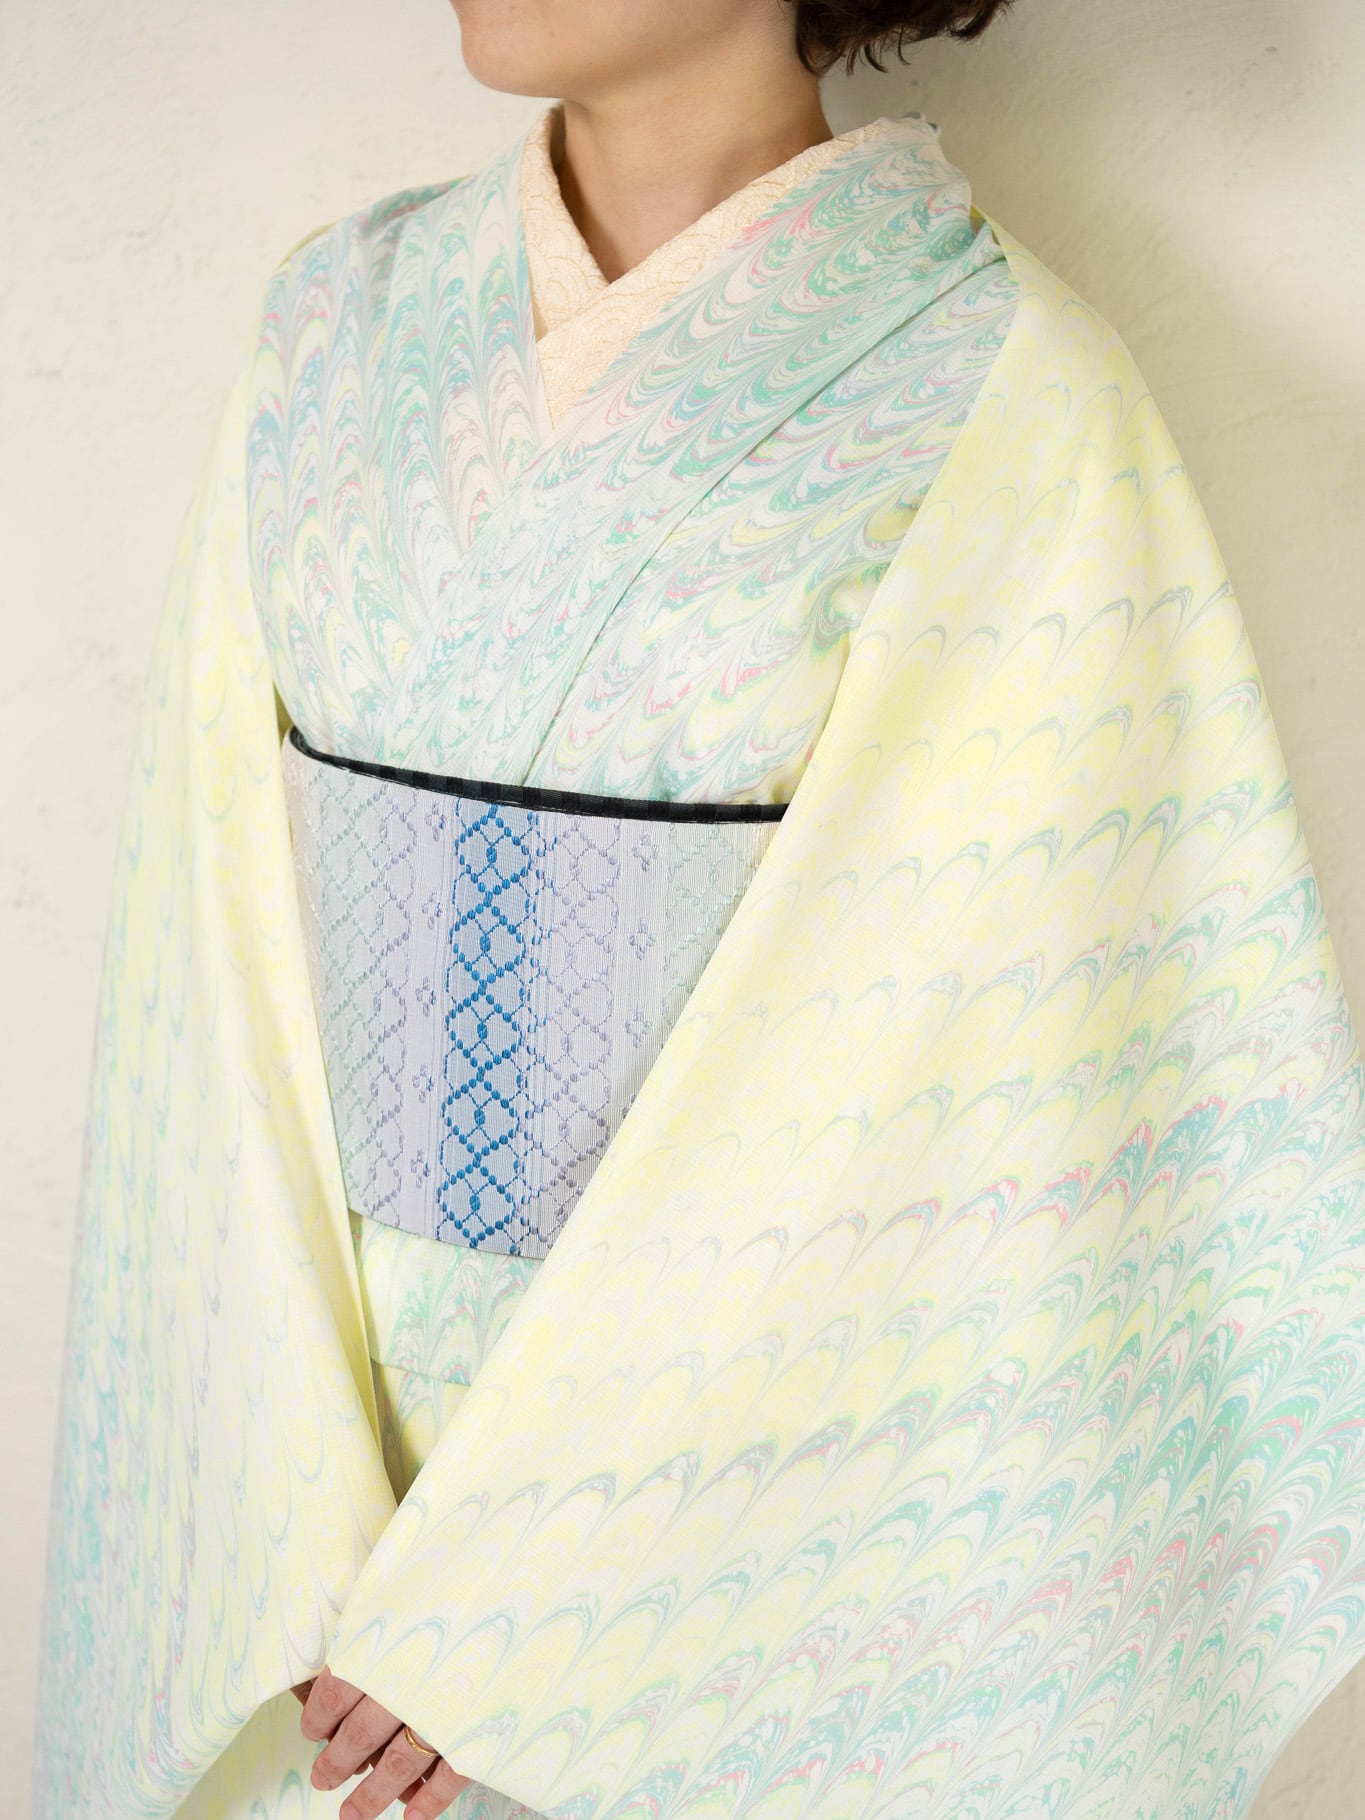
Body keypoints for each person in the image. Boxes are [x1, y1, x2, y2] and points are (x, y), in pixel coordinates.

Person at [35, 1, 1365, 1817]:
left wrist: (524, 1604)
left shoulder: (1004, 390)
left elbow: (961, 1082)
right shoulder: (330, 325)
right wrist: (261, 1514)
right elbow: (201, 958)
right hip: (307, 1464)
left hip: (730, 1525)